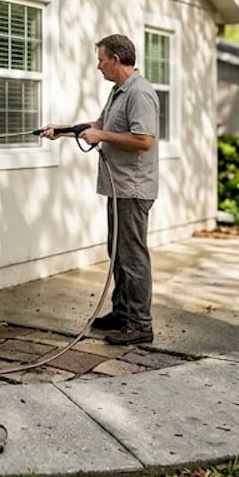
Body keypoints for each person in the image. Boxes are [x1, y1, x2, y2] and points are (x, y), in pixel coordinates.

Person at [43, 34, 159, 345]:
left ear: (116, 60)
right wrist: (63, 131)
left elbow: (144, 140)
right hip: (118, 188)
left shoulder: (139, 94)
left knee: (133, 257)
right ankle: (122, 314)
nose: (98, 66)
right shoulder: (118, 92)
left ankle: (140, 325)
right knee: (118, 254)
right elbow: (98, 126)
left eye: (101, 59)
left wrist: (103, 135)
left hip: (133, 190)